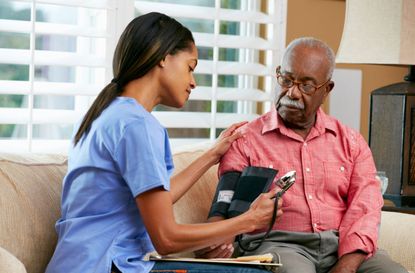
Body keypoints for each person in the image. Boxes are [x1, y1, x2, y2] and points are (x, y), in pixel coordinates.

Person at [45, 12, 282, 273]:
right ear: (164, 57)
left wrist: (212, 155)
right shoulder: (137, 126)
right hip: (107, 265)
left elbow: (159, 197)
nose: (193, 82)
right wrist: (248, 220)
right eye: (190, 67)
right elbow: (166, 238)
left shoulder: (106, 115)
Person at [202, 37, 409, 273]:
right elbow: (224, 203)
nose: (292, 92)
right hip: (278, 245)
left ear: (327, 89)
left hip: (342, 246)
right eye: (287, 79)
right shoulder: (246, 139)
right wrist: (215, 236)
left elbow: (366, 208)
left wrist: (347, 266)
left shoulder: (351, 142)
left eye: (306, 86)